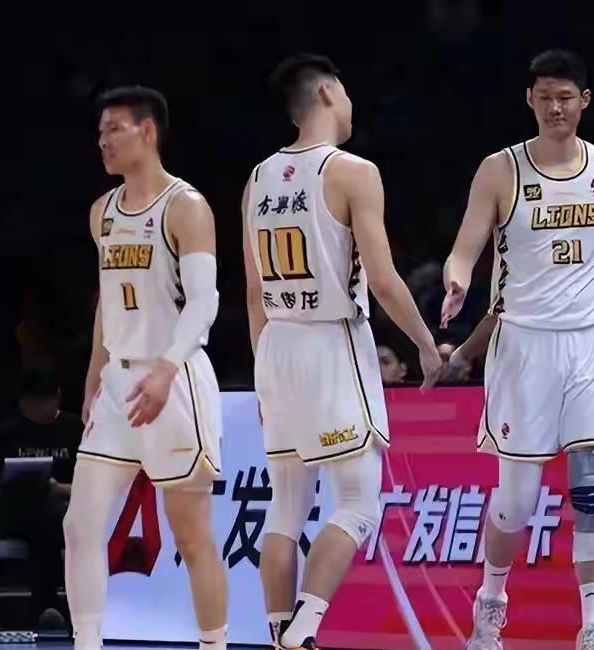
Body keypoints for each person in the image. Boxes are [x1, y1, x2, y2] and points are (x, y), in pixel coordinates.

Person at [441, 50, 594, 650]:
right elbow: (466, 245)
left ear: (584, 101)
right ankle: (491, 603)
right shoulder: (500, 169)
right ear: (529, 101)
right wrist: (457, 280)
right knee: (516, 501)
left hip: (591, 340)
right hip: (523, 345)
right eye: (544, 98)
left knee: (593, 490)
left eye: (565, 97)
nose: (555, 108)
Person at [242, 54, 442, 650]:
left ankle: (278, 633)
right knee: (357, 504)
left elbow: (252, 293)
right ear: (329, 92)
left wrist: (263, 373)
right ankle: (301, 633)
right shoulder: (353, 171)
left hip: (276, 344)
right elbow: (382, 279)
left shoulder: (257, 178)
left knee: (285, 508)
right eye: (347, 91)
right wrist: (426, 346)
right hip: (330, 340)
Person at [64, 86, 227, 650]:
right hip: (118, 383)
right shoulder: (101, 213)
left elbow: (204, 303)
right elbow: (107, 305)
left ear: (148, 131)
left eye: (115, 129)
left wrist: (165, 370)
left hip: (175, 380)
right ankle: (87, 643)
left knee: (192, 536)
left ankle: (215, 645)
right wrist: (94, 377)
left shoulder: (187, 206)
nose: (103, 141)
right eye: (100, 132)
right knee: (80, 526)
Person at [0, 367, 81, 624]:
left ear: (57, 397)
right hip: (15, 511)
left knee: (49, 517)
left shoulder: (75, 430)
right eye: (32, 403)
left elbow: (89, 483)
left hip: (63, 509)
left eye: (42, 402)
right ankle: (50, 608)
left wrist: (58, 487)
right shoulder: (8, 431)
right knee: (43, 519)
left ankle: (47, 606)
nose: (37, 410)